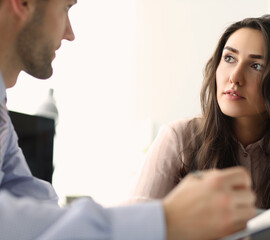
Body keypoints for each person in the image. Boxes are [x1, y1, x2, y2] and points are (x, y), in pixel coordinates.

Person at [0, 0, 257, 239]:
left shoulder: (3, 121)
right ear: (22, 3)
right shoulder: (181, 136)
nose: (70, 33)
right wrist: (166, 219)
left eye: (256, 65)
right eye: (66, 7)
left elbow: (41, 210)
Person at [132, 14, 270, 218]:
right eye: (229, 58)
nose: (234, 77)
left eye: (256, 66)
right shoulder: (178, 137)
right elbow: (134, 227)